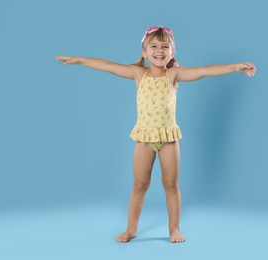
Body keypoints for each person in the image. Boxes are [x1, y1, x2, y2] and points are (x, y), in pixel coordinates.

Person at [56, 25, 256, 243]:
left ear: (172, 52)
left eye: (165, 46)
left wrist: (235, 67)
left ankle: (174, 229)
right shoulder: (138, 74)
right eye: (153, 46)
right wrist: (79, 60)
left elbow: (206, 70)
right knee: (139, 185)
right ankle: (131, 229)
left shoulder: (174, 75)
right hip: (144, 138)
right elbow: (108, 66)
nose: (159, 50)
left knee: (171, 185)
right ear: (144, 51)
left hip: (169, 139)